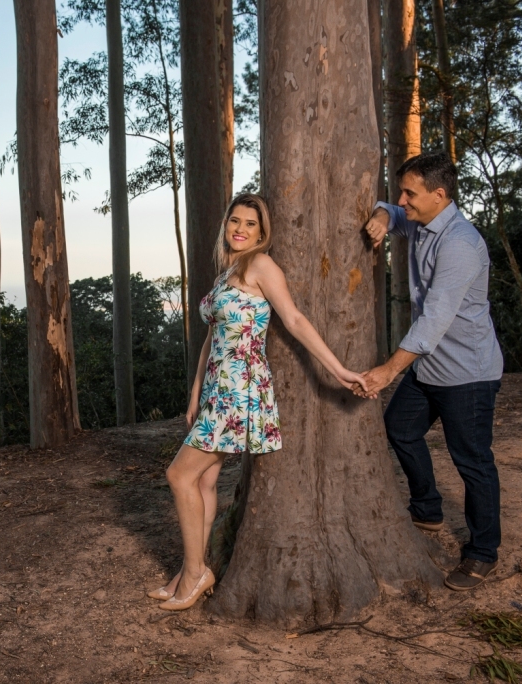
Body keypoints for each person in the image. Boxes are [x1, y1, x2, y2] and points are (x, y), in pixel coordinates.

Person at [150, 193, 367, 611]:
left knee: (179, 475)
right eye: (235, 221)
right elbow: (213, 336)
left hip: (239, 388)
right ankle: (189, 568)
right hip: (216, 387)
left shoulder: (261, 265)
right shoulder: (227, 271)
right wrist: (195, 391)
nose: (241, 229)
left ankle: (196, 575)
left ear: (262, 233)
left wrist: (338, 370)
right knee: (205, 481)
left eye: (251, 224)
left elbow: (295, 320)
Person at [359, 151, 503, 591]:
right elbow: (389, 209)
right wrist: (384, 214)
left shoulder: (459, 243)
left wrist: (387, 370)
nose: (403, 199)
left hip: (467, 373)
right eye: (402, 191)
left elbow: (435, 319)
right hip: (430, 367)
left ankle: (482, 553)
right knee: (399, 428)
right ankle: (427, 507)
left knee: (473, 463)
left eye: (410, 193)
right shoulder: (420, 220)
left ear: (439, 195)